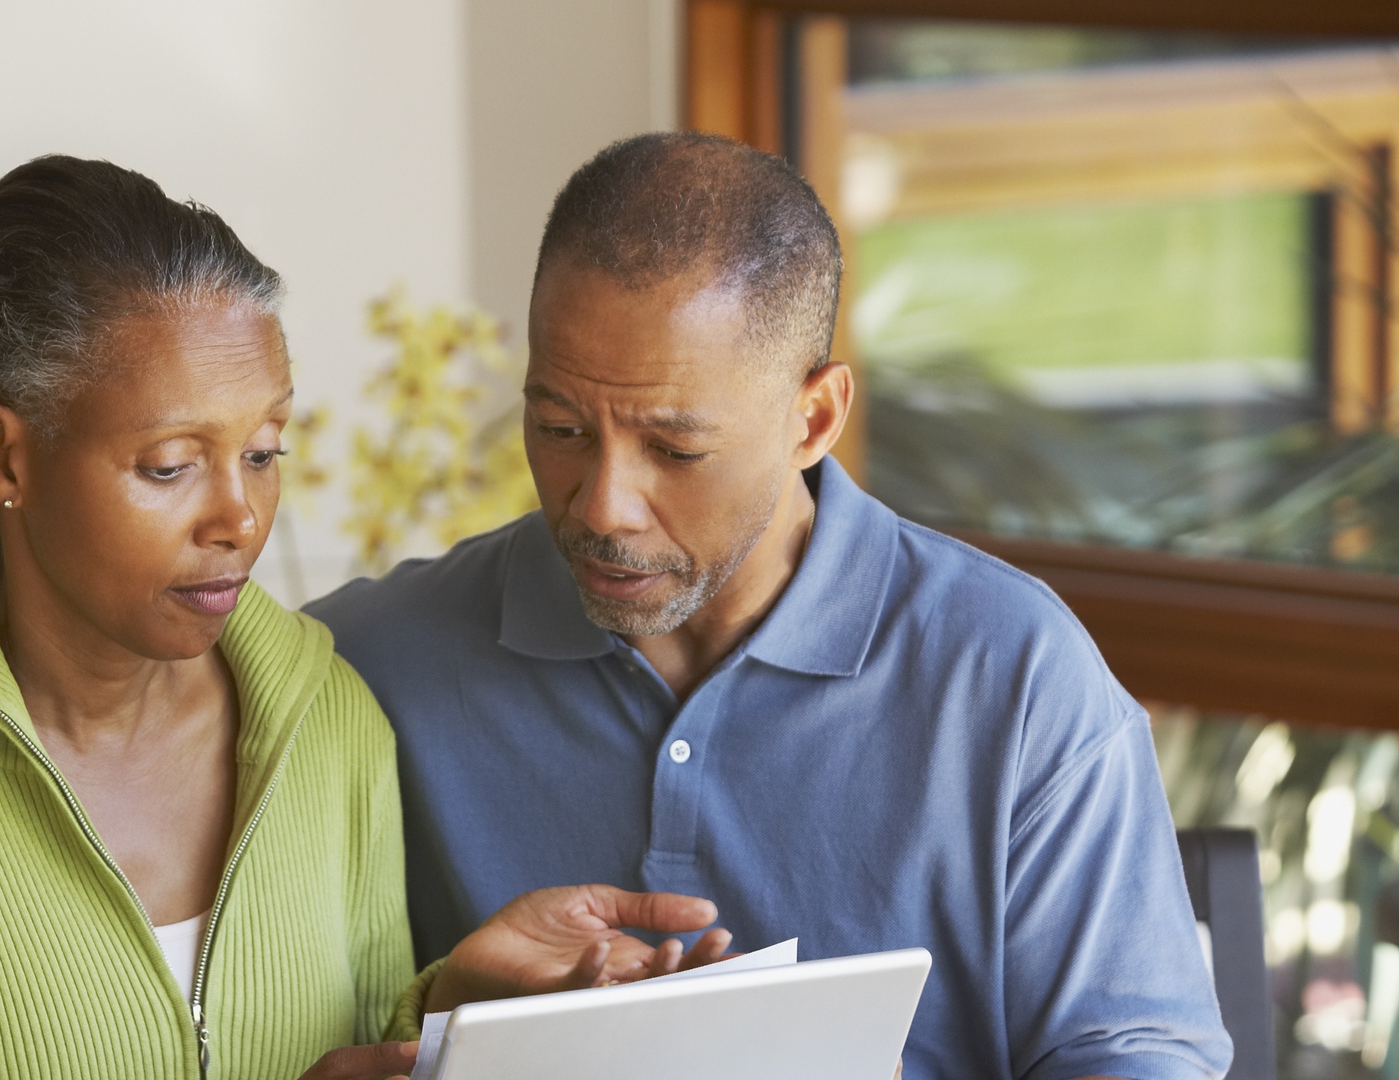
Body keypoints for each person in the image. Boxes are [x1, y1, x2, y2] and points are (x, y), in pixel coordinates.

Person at [0, 155, 728, 1080]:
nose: (240, 515)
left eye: (265, 452)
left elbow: (345, 1043)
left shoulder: (327, 718)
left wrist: (449, 1016)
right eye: (171, 465)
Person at [305, 132, 1235, 1080]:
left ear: (815, 419)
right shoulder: (363, 665)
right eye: (561, 429)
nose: (600, 506)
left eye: (674, 450)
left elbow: (1139, 1055)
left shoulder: (1013, 674)